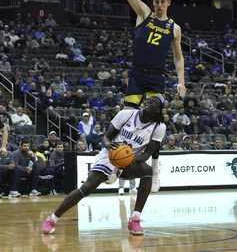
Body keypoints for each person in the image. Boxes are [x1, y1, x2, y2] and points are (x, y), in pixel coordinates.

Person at [42, 96, 165, 235]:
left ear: (158, 110)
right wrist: (109, 146)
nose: (149, 101)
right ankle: (51, 219)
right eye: (148, 99)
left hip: (129, 162)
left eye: (154, 102)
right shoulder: (126, 114)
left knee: (147, 170)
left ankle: (135, 219)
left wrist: (133, 160)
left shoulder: (159, 127)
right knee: (87, 188)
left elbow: (148, 153)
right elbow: (106, 138)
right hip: (109, 156)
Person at [122, 0, 186, 195]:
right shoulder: (144, 14)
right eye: (156, 1)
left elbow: (178, 59)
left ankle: (155, 170)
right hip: (137, 74)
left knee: (157, 123)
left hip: (157, 78)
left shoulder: (174, 28)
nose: (158, 5)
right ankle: (117, 165)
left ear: (168, 3)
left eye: (162, 2)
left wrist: (181, 81)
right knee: (126, 120)